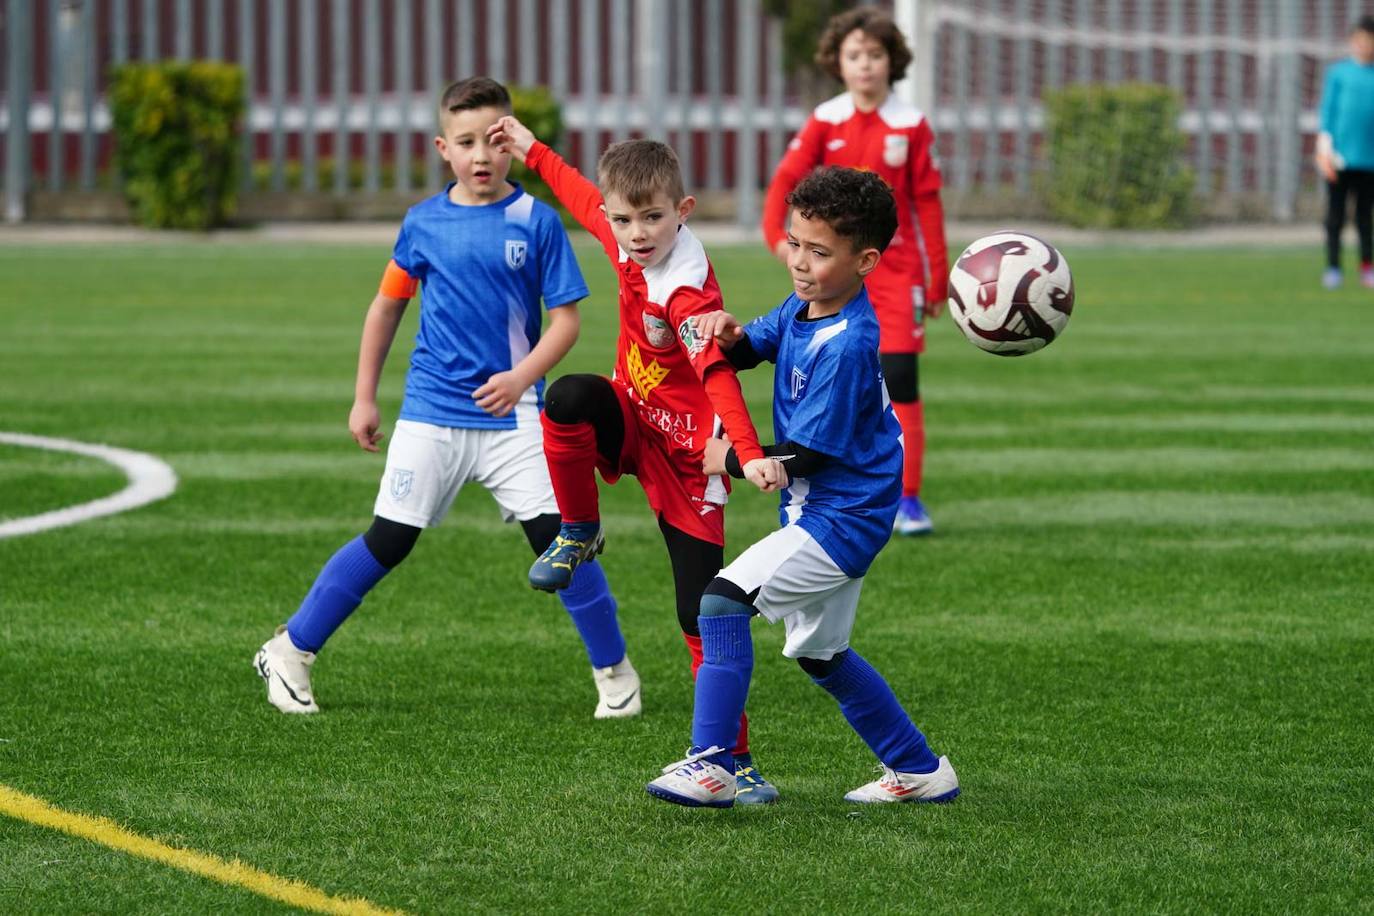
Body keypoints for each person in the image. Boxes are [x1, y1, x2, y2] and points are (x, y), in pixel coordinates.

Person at [254, 77, 635, 721]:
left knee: (561, 540)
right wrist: (363, 398)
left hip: (517, 417)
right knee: (389, 540)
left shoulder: (537, 221)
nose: (481, 156)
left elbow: (567, 320)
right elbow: (387, 308)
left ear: (511, 143)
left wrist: (521, 379)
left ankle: (615, 671)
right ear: (443, 148)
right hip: (431, 412)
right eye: (466, 143)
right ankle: (290, 650)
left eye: (493, 141)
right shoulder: (422, 222)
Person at [485, 114, 785, 804]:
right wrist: (530, 149)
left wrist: (742, 452)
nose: (636, 233)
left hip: (690, 457)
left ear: (682, 212)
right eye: (626, 220)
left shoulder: (684, 292)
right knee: (567, 398)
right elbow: (583, 197)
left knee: (701, 609)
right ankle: (579, 530)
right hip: (633, 417)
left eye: (652, 217)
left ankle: (731, 759)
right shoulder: (621, 237)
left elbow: (717, 378)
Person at [646, 166, 959, 808]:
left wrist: (729, 457)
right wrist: (726, 335)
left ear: (866, 260)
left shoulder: (850, 343)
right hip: (829, 511)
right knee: (823, 653)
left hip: (839, 519)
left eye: (819, 252)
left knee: (723, 601)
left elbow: (806, 455)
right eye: (795, 243)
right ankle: (920, 769)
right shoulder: (807, 303)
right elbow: (754, 344)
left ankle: (713, 765)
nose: (800, 261)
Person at [762, 7, 948, 536]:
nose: (865, 65)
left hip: (899, 270)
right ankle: (842, 484)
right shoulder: (826, 119)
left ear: (892, 62)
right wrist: (778, 239)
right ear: (838, 63)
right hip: (840, 272)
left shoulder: (911, 124)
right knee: (842, 374)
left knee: (902, 379)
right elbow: (785, 181)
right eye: (854, 55)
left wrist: (938, 275)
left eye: (874, 55)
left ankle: (908, 499)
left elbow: (928, 204)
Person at [1317, 15, 1374, 290]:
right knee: (1335, 217)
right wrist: (1324, 149)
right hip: (1339, 159)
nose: (1364, 46)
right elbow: (1327, 114)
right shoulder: (1339, 73)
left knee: (1365, 218)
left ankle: (1367, 267)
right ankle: (1333, 267)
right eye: (1360, 40)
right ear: (1353, 41)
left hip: (1369, 161)